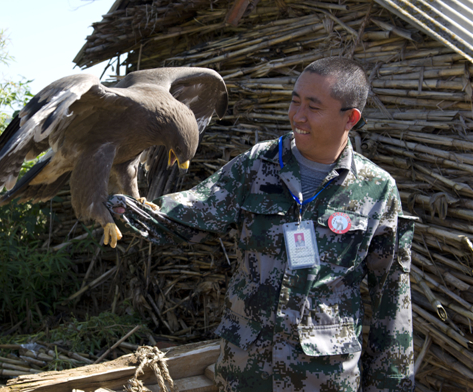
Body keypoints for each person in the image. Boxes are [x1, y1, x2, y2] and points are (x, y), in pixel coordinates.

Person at [106, 57, 415, 392]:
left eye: (313, 107)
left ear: (350, 118)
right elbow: (188, 214)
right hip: (246, 371)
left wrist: (391, 385)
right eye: (295, 102)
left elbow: (391, 296)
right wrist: (116, 206)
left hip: (323, 378)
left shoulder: (376, 188)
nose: (297, 116)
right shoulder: (257, 165)